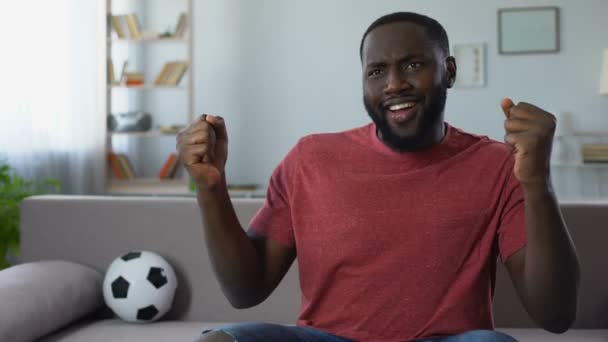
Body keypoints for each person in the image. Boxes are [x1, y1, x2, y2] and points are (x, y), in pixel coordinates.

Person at [177, 12, 580, 342]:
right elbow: (245, 291)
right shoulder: (310, 159)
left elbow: (556, 314)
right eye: (377, 71)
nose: (394, 84)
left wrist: (537, 181)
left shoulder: (496, 163)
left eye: (413, 65)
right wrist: (210, 188)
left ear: (449, 71)